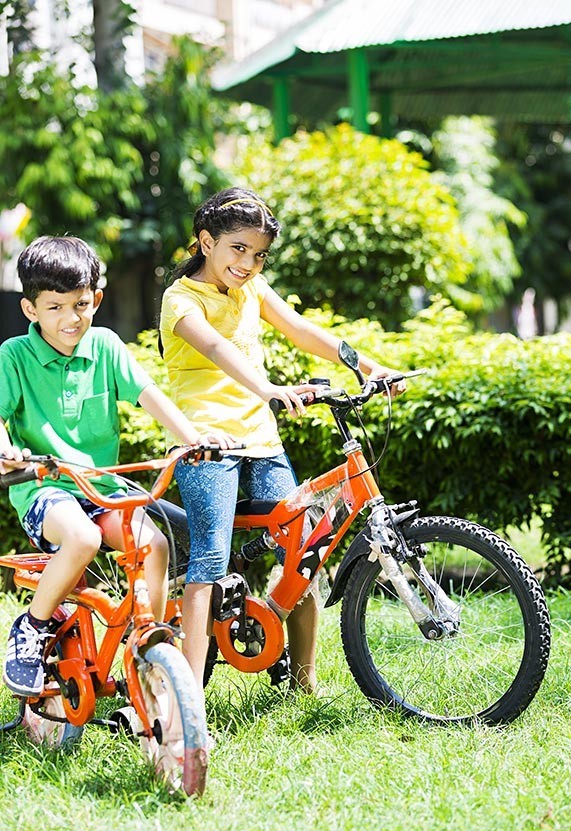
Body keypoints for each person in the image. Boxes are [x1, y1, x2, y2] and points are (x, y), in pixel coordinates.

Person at [160, 186, 405, 696]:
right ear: (206, 242)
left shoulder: (253, 288)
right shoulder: (180, 299)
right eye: (238, 249)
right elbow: (216, 347)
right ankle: (187, 696)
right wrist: (267, 387)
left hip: (261, 440)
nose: (249, 263)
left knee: (305, 549)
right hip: (208, 441)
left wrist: (368, 365)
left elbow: (300, 329)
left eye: (259, 254)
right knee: (209, 560)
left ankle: (303, 683)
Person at [0, 235, 228, 699]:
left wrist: (194, 437)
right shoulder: (14, 357)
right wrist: (7, 451)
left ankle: (149, 644)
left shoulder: (104, 346)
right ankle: (30, 627)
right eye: (55, 307)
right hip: (46, 489)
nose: (70, 319)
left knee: (155, 545)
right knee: (82, 538)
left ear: (96, 299)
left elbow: (150, 396)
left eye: (81, 304)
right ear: (30, 310)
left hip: (102, 487)